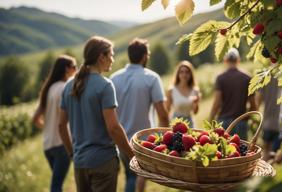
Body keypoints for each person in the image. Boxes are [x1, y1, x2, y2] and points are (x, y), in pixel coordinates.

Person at [58, 36, 134, 192]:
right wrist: (132, 155)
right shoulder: (105, 86)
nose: (112, 59)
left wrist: (72, 154)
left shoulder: (68, 85)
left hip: (80, 163)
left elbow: (60, 125)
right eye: (111, 55)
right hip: (103, 162)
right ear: (101, 57)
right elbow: (113, 128)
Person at [110, 38, 169, 192]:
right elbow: (162, 113)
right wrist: (166, 137)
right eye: (147, 54)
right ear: (144, 56)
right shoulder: (152, 78)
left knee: (130, 176)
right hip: (144, 141)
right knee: (137, 177)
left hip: (120, 138)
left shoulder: (114, 78)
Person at [32, 54, 77, 192]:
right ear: (66, 69)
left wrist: (47, 129)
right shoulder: (65, 88)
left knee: (57, 182)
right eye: (74, 67)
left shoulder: (48, 89)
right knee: (56, 186)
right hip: (61, 144)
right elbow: (65, 120)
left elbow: (35, 118)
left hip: (47, 145)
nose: (76, 70)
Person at [208, 48, 257, 140]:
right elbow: (253, 105)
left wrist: (211, 120)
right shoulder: (247, 78)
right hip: (241, 122)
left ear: (225, 60)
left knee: (224, 152)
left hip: (224, 122)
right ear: (238, 60)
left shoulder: (220, 78)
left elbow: (216, 104)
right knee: (241, 152)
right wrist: (247, 119)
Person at [165, 60, 201, 128]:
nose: (184, 74)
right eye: (181, 72)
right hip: (175, 123)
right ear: (178, 74)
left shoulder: (195, 91)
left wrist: (196, 103)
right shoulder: (171, 90)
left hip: (189, 123)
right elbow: (167, 110)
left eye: (187, 72)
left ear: (191, 74)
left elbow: (195, 112)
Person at [256, 77, 282, 161]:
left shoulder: (266, 76)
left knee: (266, 151)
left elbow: (258, 100)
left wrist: (255, 118)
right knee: (278, 154)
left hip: (267, 122)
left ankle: (265, 173)